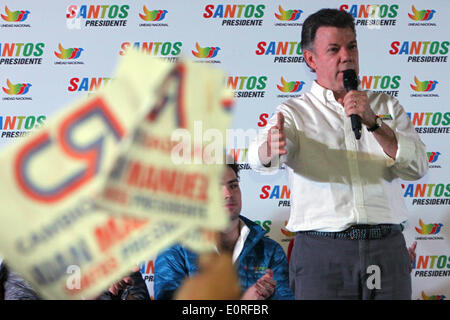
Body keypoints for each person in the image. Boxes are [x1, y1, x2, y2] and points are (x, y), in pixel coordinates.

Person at [248, 8, 428, 300]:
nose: (347, 56)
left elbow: (418, 166)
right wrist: (269, 148)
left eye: (352, 46)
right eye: (334, 49)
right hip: (323, 254)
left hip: (386, 249)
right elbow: (260, 159)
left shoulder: (386, 105)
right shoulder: (293, 112)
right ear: (311, 59)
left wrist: (373, 122)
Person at [154, 163, 294, 300]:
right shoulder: (175, 250)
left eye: (233, 185)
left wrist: (272, 294)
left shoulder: (270, 250)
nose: (228, 194)